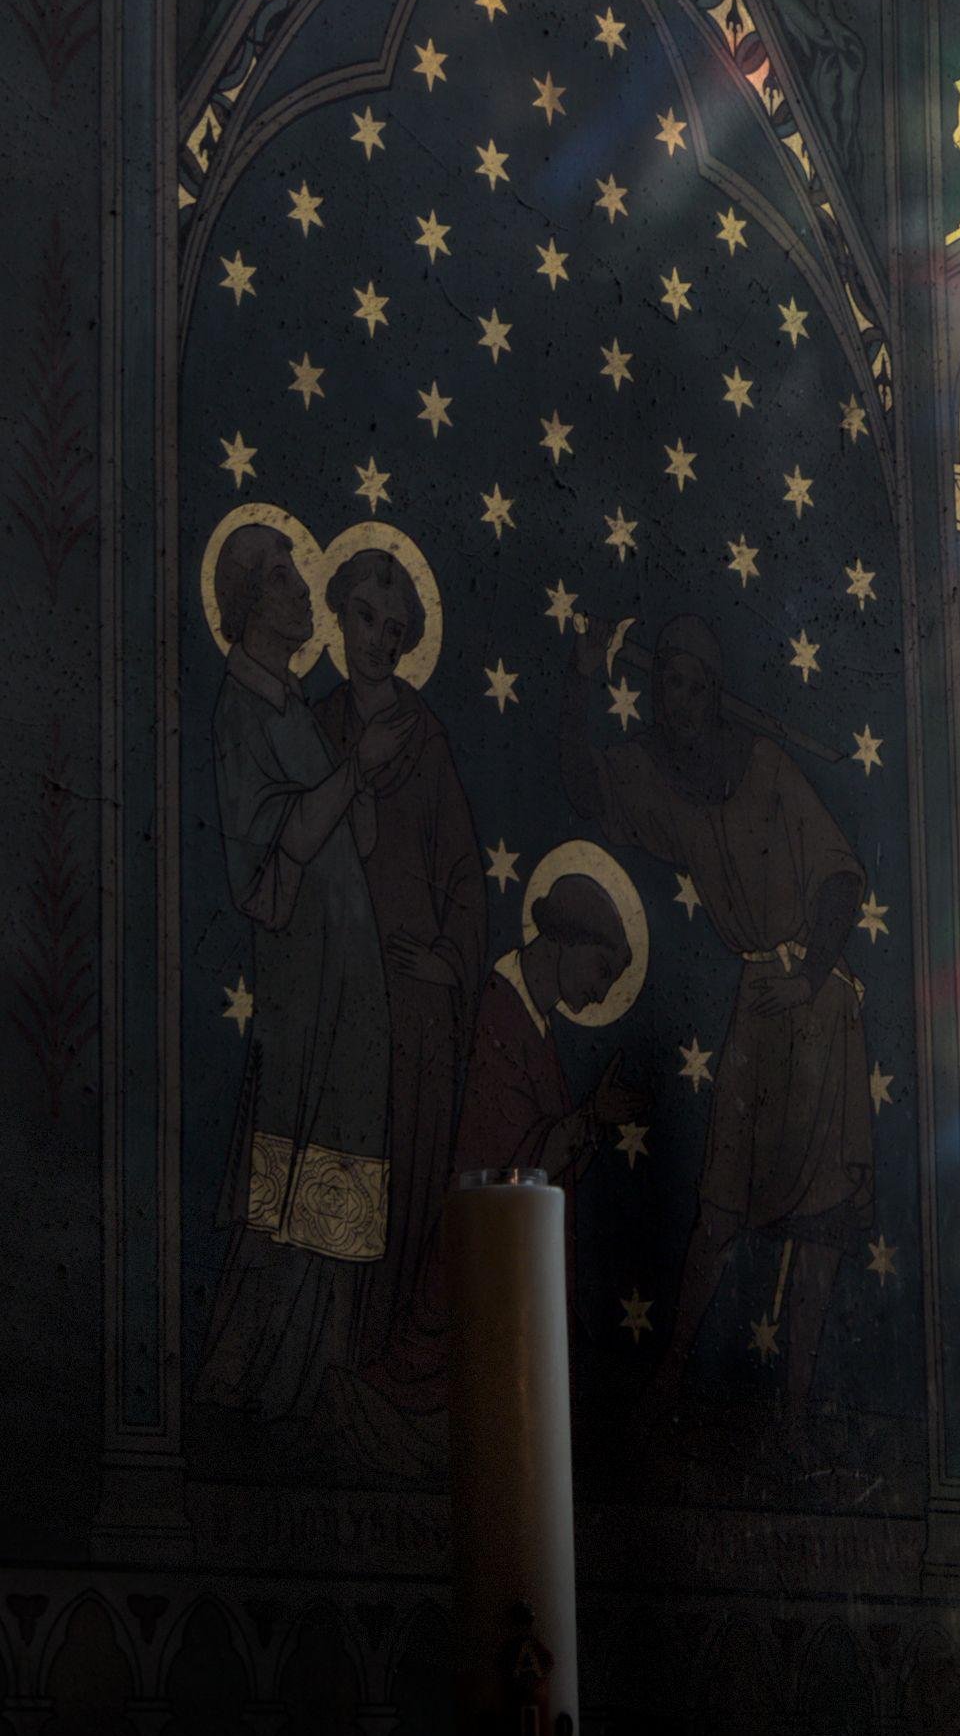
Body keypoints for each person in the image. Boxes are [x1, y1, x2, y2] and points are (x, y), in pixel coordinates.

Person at [563, 612, 870, 1455]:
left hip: (814, 1002)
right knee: (718, 1205)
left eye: (699, 685)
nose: (683, 700)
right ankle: (667, 1382)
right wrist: (582, 679)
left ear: (716, 693)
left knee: (819, 1219)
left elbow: (841, 870)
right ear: (655, 689)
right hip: (756, 1000)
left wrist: (809, 972)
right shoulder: (663, 782)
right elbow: (587, 790)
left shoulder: (765, 767)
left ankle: (797, 1413)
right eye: (670, 683)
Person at [195, 520, 398, 1423]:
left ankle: (317, 1376)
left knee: (340, 1166)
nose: (301, 590)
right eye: (282, 577)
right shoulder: (243, 709)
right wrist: (357, 768)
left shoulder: (290, 701)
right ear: (247, 601)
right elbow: (284, 847)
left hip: (345, 980)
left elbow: (342, 838)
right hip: (302, 985)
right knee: (282, 1179)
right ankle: (241, 1378)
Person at [364, 872, 637, 1425]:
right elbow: (508, 1162)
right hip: (475, 1270)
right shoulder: (498, 1010)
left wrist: (585, 1123)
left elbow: (547, 1163)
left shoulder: (535, 1023)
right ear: (564, 937)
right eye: (602, 969)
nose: (603, 991)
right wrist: (588, 1118)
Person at [314, 542, 483, 1375]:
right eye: (365, 617)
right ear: (339, 615)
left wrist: (449, 960)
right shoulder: (317, 729)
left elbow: (460, 869)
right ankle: (330, 1361)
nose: (378, 637)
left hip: (414, 1001)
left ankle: (376, 1357)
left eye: (395, 626)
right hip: (343, 996)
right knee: (341, 1169)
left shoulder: (427, 736)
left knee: (408, 1176)